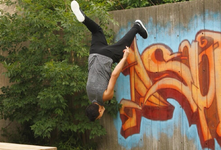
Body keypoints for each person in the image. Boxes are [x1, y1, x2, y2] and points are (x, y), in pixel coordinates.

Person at [71, 0, 148, 121]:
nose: (101, 116)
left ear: (100, 111)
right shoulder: (89, 94)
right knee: (97, 31)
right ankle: (84, 18)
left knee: (123, 47)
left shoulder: (105, 96)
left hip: (105, 57)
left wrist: (124, 58)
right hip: (94, 53)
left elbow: (114, 75)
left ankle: (137, 26)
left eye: (99, 117)